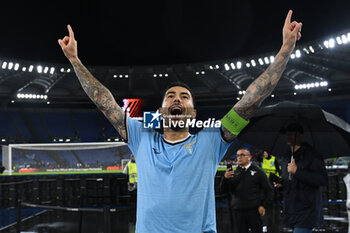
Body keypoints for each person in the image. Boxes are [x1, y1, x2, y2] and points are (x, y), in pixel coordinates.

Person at [58, 10, 302, 233]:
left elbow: (251, 100)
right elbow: (105, 102)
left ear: (193, 113)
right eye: (170, 96)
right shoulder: (140, 137)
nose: (177, 99)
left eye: (184, 97)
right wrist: (75, 61)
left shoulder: (213, 140)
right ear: (161, 111)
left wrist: (285, 50)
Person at [276, 123, 328, 233]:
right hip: (291, 209)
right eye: (287, 134)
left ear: (300, 136)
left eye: (292, 134)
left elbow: (322, 179)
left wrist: (297, 172)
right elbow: (290, 181)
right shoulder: (286, 157)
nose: (288, 137)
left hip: (307, 211)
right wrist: (281, 185)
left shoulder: (313, 155)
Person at [221, 148, 273, 233]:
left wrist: (264, 205)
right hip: (238, 211)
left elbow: (269, 190)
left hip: (254, 211)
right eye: (237, 155)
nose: (239, 157)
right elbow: (223, 190)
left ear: (249, 157)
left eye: (242, 155)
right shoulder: (234, 173)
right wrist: (225, 179)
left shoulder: (258, 172)